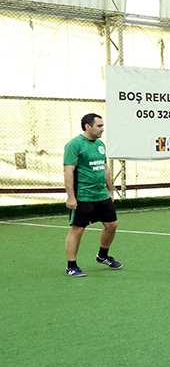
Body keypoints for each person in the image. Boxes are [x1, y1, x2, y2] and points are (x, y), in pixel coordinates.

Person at [63, 113, 122, 277]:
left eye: (103, 126)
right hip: (83, 195)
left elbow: (105, 168)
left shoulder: (100, 144)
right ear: (87, 126)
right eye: (99, 126)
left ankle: (102, 256)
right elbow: (68, 171)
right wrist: (71, 197)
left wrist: (110, 190)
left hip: (101, 194)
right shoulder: (74, 145)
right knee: (78, 230)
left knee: (112, 224)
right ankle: (71, 266)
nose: (102, 129)